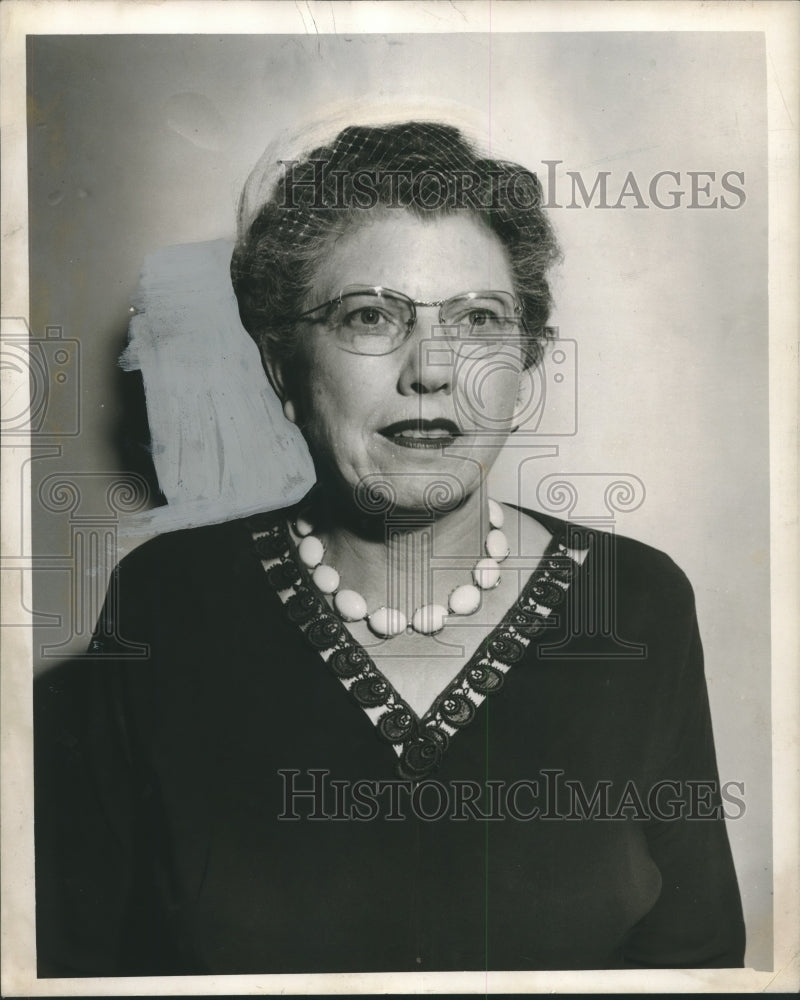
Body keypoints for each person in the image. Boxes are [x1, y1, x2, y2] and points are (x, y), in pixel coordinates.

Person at [34, 120, 745, 975]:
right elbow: (79, 966)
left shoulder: (632, 602)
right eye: (370, 316)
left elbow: (698, 958)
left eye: (478, 319)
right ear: (281, 367)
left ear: (528, 367)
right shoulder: (169, 602)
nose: (431, 370)